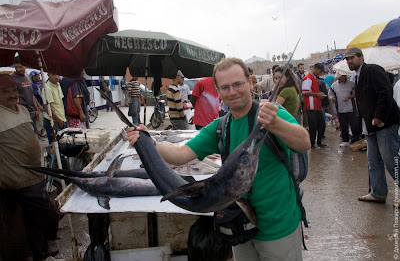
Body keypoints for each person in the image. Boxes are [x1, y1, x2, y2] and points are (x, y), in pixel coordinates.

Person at [127, 58, 311, 260]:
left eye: (238, 84)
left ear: (250, 83)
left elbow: (304, 142)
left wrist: (275, 124)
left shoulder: (272, 113)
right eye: (225, 87)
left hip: (279, 229)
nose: (232, 92)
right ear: (218, 91)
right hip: (240, 228)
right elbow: (180, 155)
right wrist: (148, 142)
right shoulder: (220, 127)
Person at [0, 74, 59, 261]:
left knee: (35, 221)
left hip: (35, 175)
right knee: (43, 216)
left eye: (13, 89)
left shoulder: (23, 110)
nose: (11, 94)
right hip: (15, 180)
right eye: (5, 91)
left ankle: (41, 253)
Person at [345, 47, 400, 203]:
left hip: (384, 123)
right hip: (370, 126)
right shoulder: (357, 76)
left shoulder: (373, 70)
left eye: (352, 58)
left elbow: (385, 92)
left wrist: (379, 116)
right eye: (347, 59)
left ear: (361, 58)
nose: (349, 61)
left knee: (391, 158)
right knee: (374, 160)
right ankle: (378, 192)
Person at [12, 56, 42, 136]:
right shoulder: (12, 78)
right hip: (22, 111)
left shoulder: (27, 77)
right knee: (25, 134)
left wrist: (36, 109)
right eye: (16, 67)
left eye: (20, 67)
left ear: (25, 65)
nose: (18, 69)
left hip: (31, 110)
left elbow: (31, 94)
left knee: (34, 133)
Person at [328, 73, 360, 146]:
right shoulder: (334, 85)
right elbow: (330, 94)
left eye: (340, 77)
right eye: (338, 78)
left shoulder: (352, 84)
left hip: (351, 108)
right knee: (343, 125)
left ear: (344, 76)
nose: (339, 79)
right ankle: (345, 139)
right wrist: (332, 98)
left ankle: (355, 138)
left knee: (354, 124)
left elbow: (357, 93)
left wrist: (349, 96)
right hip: (340, 108)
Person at [302, 63, 327, 149]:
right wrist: (317, 95)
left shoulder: (314, 78)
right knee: (313, 126)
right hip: (311, 105)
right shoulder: (308, 78)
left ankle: (319, 141)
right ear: (316, 69)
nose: (320, 73)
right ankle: (312, 143)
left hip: (316, 105)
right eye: (320, 71)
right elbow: (305, 92)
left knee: (321, 124)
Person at [42, 73, 67, 144]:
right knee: (54, 145)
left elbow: (59, 104)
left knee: (63, 143)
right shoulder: (47, 88)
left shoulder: (58, 85)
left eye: (58, 74)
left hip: (61, 119)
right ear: (48, 75)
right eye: (53, 74)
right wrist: (59, 121)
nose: (56, 77)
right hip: (53, 121)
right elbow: (48, 108)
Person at [30, 70, 47, 137]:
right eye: (37, 76)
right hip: (38, 107)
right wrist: (38, 107)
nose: (39, 77)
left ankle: (42, 132)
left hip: (42, 107)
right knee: (39, 121)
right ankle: (39, 134)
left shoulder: (37, 84)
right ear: (33, 77)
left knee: (43, 117)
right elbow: (34, 97)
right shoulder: (33, 85)